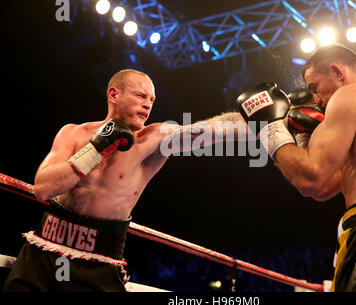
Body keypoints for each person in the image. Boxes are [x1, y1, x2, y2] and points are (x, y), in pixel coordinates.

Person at [3, 69, 245, 292]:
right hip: (42, 251)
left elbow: (208, 131)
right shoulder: (73, 133)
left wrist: (258, 118)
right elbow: (43, 189)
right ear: (113, 94)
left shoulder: (152, 139)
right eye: (141, 96)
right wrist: (95, 149)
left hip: (96, 262)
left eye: (152, 100)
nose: (147, 105)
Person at [235, 43, 356, 291]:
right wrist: (303, 138)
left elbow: (310, 179)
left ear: (338, 72)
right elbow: (323, 188)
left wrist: (269, 128)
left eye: (315, 87)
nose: (315, 99)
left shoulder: (350, 95)